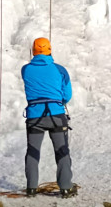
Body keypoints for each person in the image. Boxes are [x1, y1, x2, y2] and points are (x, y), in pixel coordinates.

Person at [21, 37, 76, 198]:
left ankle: (31, 188)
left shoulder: (25, 69)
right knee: (62, 151)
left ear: (33, 51)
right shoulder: (60, 69)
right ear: (50, 50)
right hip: (56, 115)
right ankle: (66, 187)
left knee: (32, 152)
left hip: (34, 116)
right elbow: (67, 95)